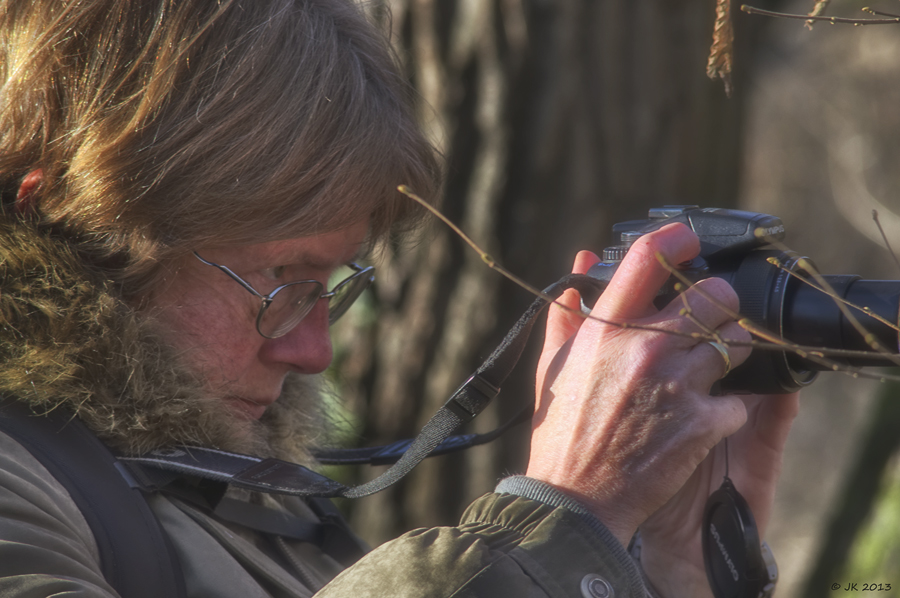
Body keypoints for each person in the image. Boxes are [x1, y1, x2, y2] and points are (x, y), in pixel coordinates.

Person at [0, 1, 800, 597]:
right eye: (280, 280)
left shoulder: (259, 508)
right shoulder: (23, 483)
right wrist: (557, 518)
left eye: (332, 285)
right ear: (77, 227)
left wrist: (657, 568)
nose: (313, 349)